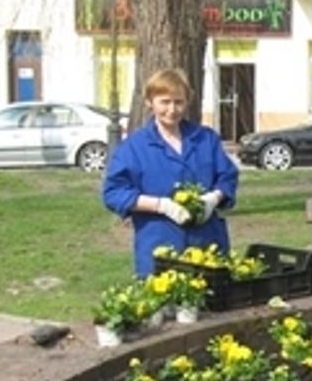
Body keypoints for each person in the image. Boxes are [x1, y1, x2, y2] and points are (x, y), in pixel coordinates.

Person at [102, 69, 239, 278]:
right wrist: (160, 205)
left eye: (179, 102)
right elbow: (113, 193)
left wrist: (213, 198)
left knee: (213, 307)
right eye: (164, 102)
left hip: (207, 245)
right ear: (150, 102)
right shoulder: (134, 148)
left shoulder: (205, 139)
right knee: (164, 307)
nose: (172, 110)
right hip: (159, 243)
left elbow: (227, 176)